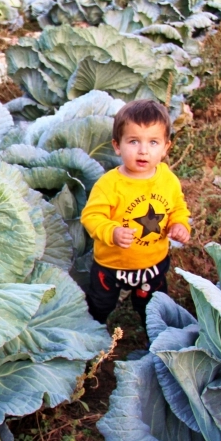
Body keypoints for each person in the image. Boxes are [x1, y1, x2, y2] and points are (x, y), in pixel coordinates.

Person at [80, 99, 191, 325]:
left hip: (153, 265)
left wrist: (180, 224)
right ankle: (93, 336)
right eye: (133, 141)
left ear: (166, 147)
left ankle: (155, 336)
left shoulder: (167, 179)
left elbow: (178, 207)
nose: (143, 151)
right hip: (111, 267)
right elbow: (91, 217)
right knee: (100, 305)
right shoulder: (109, 184)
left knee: (152, 307)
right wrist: (112, 232)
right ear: (117, 146)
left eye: (153, 142)